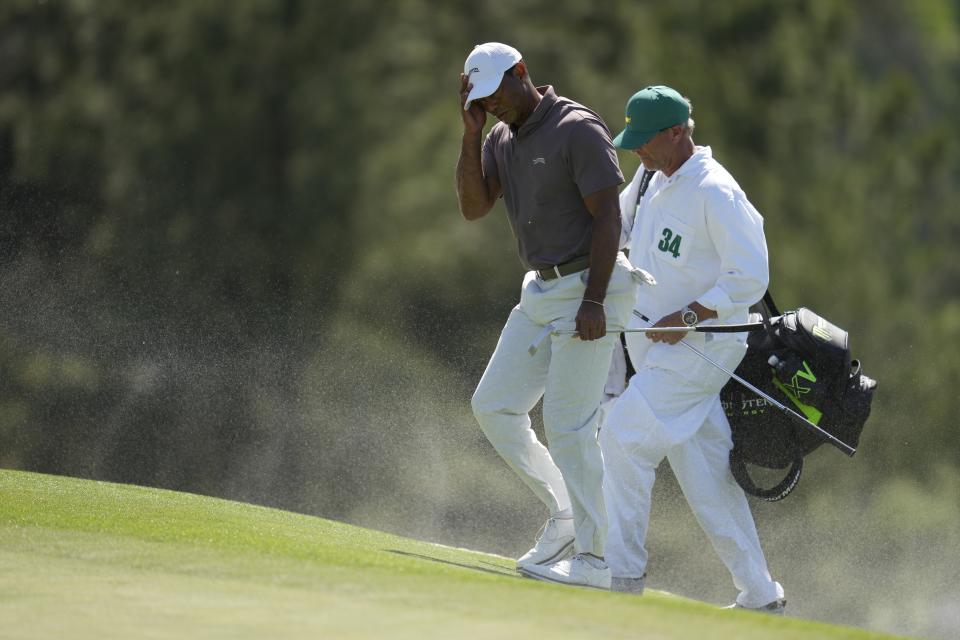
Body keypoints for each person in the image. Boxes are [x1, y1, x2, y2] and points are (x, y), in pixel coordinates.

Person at [599, 85, 787, 613]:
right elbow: (617, 230)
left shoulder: (716, 190)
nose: (636, 149)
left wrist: (687, 317)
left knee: (621, 438)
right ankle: (760, 594)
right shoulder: (650, 179)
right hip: (654, 348)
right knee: (706, 478)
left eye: (644, 139)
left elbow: (750, 275)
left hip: (701, 347)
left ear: (677, 133)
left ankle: (621, 576)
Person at [456, 42, 637, 588]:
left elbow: (608, 219)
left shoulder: (577, 127)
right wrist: (469, 134)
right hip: (541, 291)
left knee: (568, 424)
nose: (494, 107)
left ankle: (595, 558)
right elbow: (473, 206)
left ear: (522, 73)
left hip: (591, 286)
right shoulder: (497, 138)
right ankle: (564, 514)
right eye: (482, 101)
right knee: (493, 406)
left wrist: (595, 301)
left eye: (497, 95)